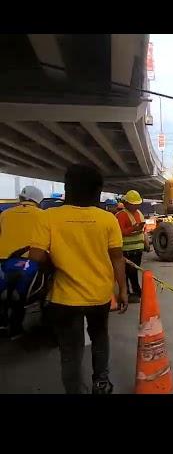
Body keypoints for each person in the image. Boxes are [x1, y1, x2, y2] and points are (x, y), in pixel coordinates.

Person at [29, 164, 128, 394]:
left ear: (67, 188)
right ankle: (101, 382)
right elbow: (117, 260)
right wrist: (122, 290)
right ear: (98, 191)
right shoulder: (107, 219)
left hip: (64, 298)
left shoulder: (48, 217)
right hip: (99, 295)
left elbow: (36, 256)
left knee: (71, 351)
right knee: (100, 338)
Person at [0, 186, 45, 339]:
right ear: (38, 201)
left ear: (20, 199)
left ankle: (3, 322)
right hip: (29, 262)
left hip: (4, 262)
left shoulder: (4, 214)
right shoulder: (43, 215)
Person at [115, 190, 146, 304]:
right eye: (134, 204)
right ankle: (129, 292)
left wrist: (145, 243)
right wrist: (133, 228)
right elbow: (119, 232)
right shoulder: (121, 215)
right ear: (127, 204)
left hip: (137, 250)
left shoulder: (139, 213)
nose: (137, 206)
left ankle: (135, 292)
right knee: (127, 272)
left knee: (133, 272)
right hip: (126, 251)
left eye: (138, 204)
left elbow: (144, 231)